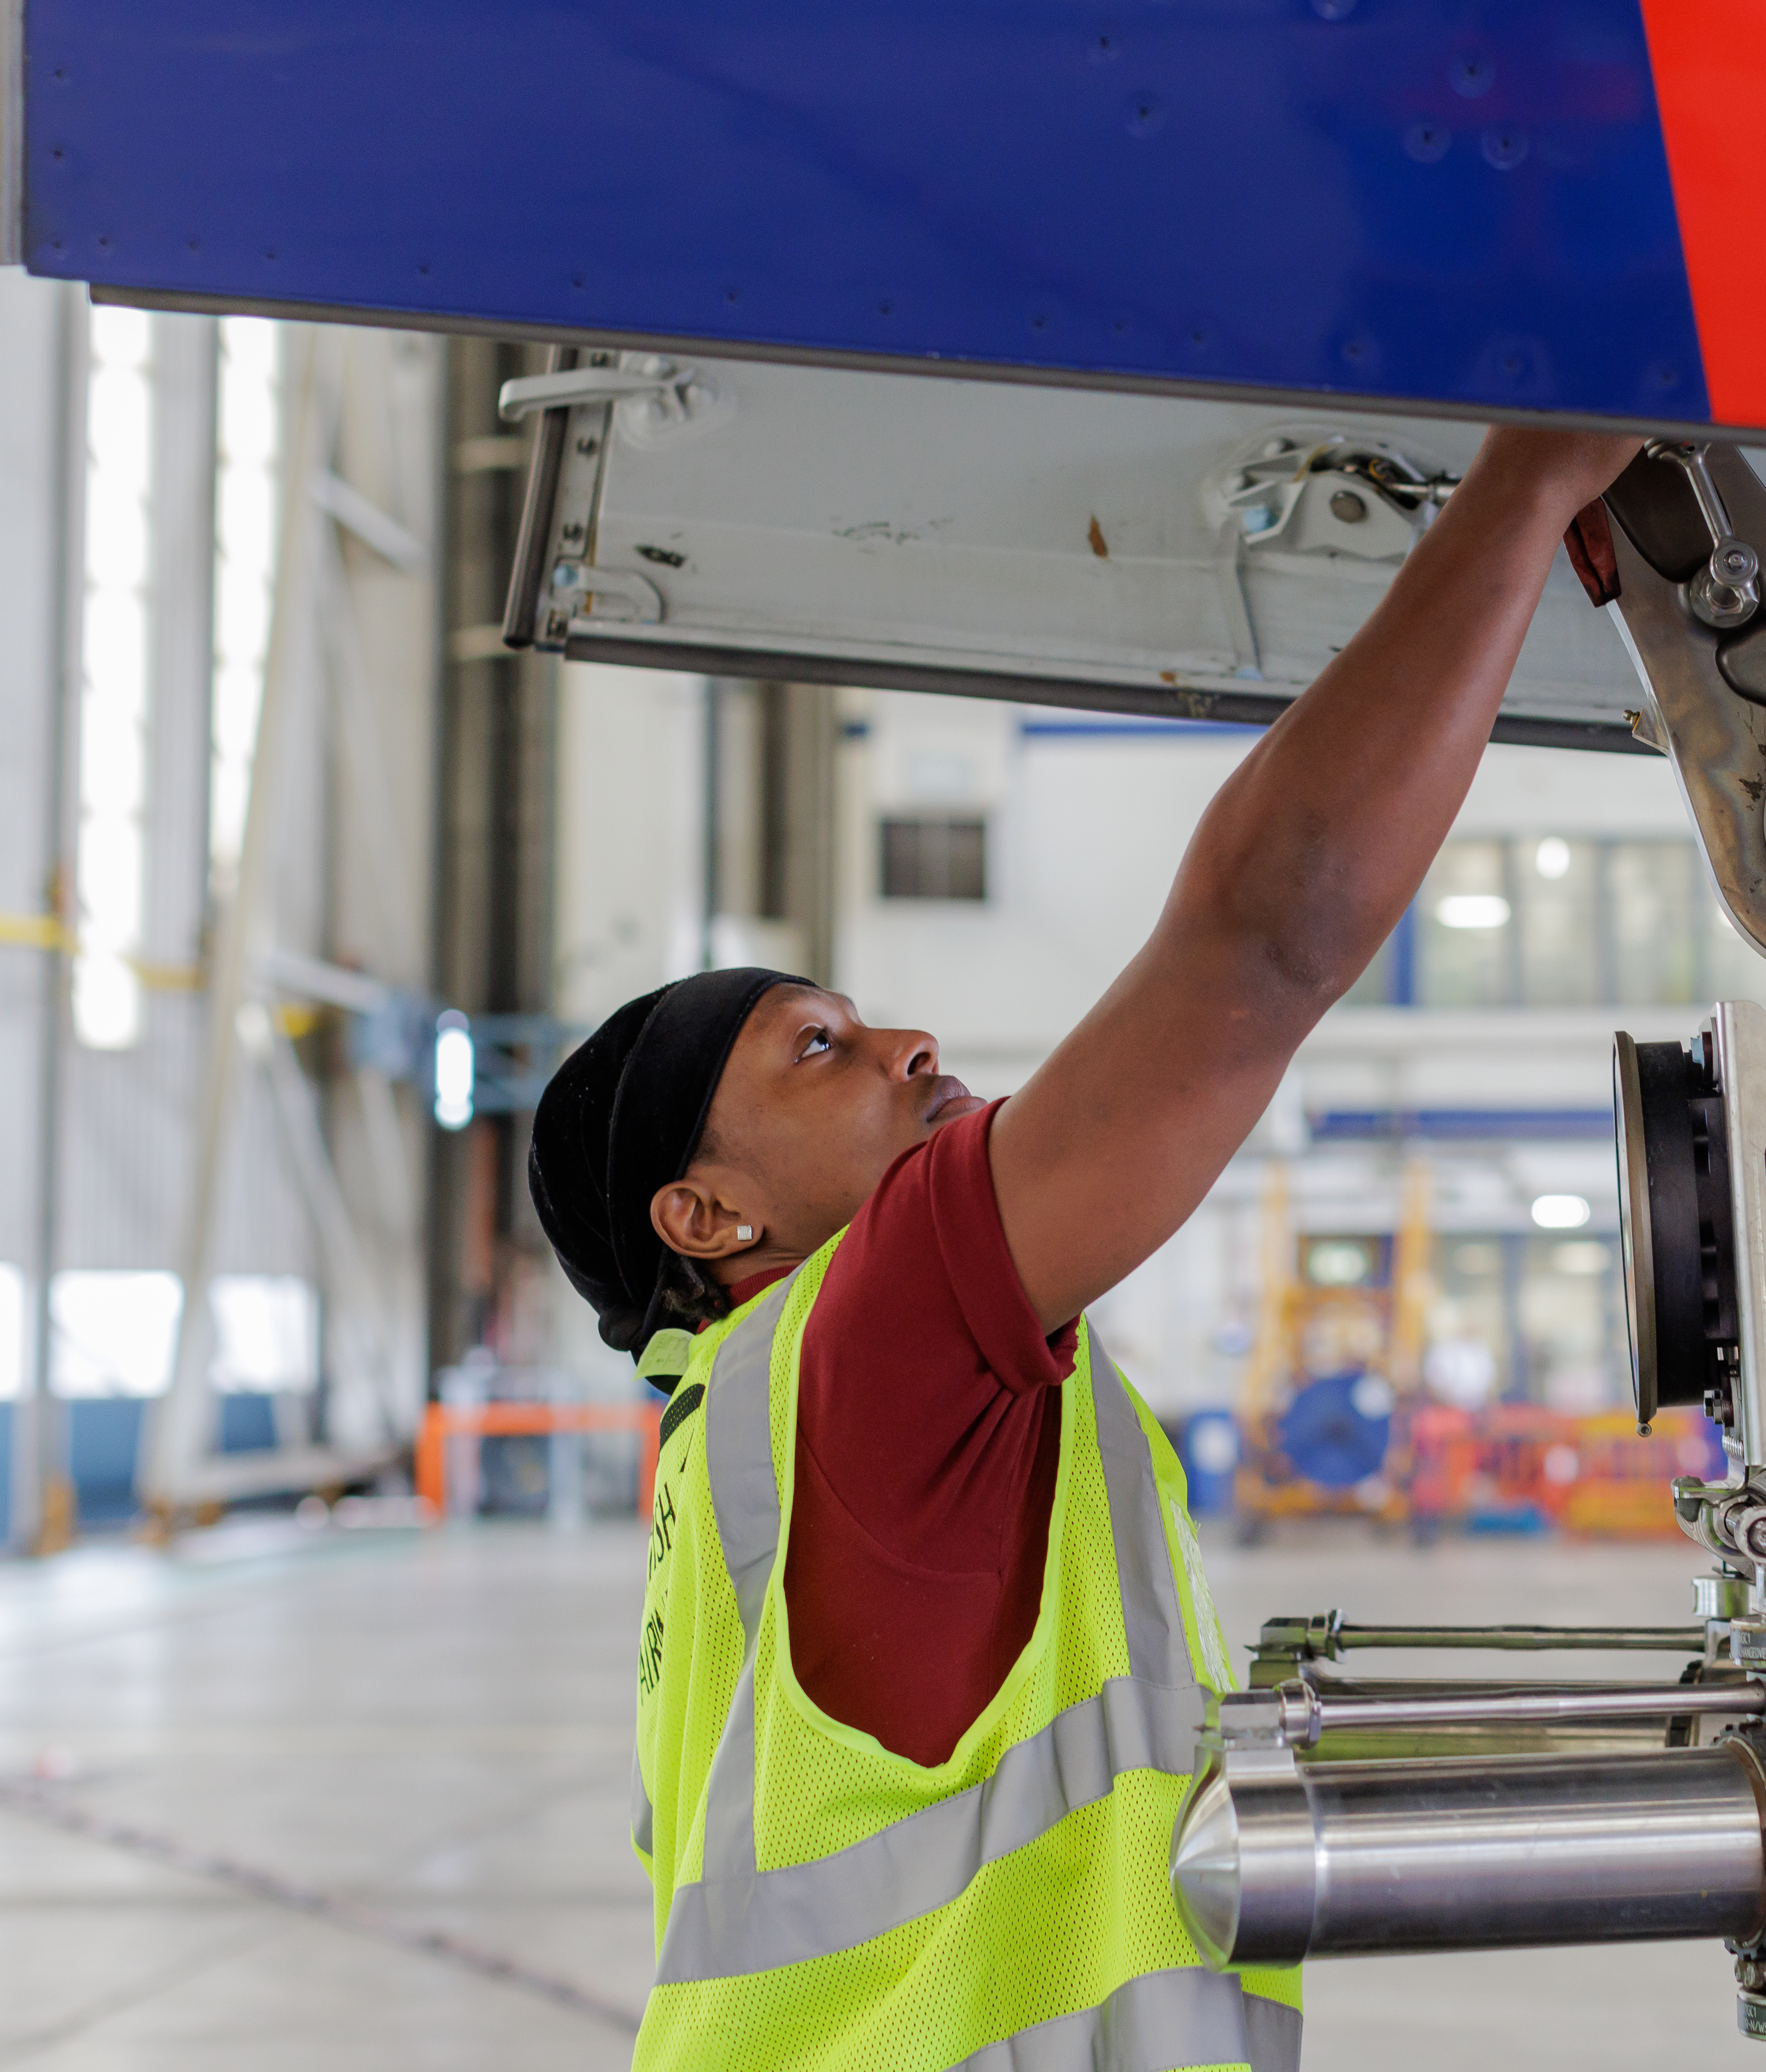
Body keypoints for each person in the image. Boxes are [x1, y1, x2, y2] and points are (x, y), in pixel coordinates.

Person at [527, 424, 1647, 2072]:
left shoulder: (727, 1455)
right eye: (818, 1050)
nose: (909, 1039)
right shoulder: (856, 1356)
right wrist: (1530, 481)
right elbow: (1267, 937)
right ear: (705, 1221)